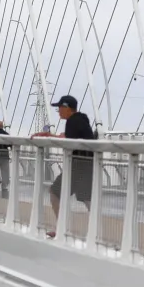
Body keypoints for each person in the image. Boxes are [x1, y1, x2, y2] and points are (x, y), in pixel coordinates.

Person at [38, 95, 96, 237]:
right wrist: (51, 135)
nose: (58, 111)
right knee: (86, 197)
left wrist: (50, 137)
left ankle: (62, 228)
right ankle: (97, 230)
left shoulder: (72, 121)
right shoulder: (81, 119)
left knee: (54, 191)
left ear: (67, 107)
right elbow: (71, 139)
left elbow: (68, 143)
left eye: (59, 108)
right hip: (88, 163)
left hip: (78, 164)